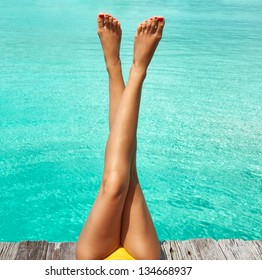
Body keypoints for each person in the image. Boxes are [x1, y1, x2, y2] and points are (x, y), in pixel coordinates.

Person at [76, 13, 165, 260]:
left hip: (93, 262)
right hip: (145, 263)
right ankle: (136, 69)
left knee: (116, 182)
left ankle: (115, 65)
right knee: (127, 174)